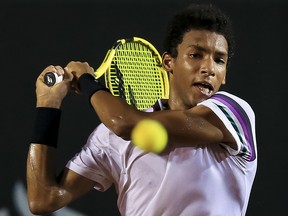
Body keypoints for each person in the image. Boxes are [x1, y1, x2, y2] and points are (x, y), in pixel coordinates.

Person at [27, 3, 257, 216]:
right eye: (195, 55)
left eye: (219, 60)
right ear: (169, 63)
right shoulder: (110, 137)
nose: (209, 68)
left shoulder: (232, 114)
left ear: (225, 74)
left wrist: (88, 82)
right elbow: (44, 199)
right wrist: (48, 104)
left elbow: (124, 123)